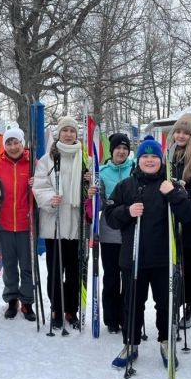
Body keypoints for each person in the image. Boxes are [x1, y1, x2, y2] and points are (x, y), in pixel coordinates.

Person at [104, 136, 191, 368]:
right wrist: (127, 211)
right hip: (133, 258)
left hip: (164, 258)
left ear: (161, 160)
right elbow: (110, 218)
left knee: (165, 304)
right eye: (145, 156)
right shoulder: (126, 186)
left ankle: (165, 341)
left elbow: (188, 215)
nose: (150, 160)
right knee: (132, 303)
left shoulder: (170, 184)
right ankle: (130, 344)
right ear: (139, 159)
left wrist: (172, 193)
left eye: (154, 156)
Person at [32, 116, 88, 329]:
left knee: (74, 270)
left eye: (72, 131)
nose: (68, 134)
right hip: (53, 221)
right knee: (55, 269)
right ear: (58, 134)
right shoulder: (48, 159)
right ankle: (56, 307)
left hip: (75, 223)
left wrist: (89, 185)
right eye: (65, 130)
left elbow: (90, 188)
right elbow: (39, 186)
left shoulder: (84, 159)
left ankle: (71, 309)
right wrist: (49, 198)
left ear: (76, 134)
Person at [87, 132, 134, 333]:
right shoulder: (102, 171)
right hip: (109, 231)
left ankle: (128, 315)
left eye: (125, 148)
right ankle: (111, 318)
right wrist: (92, 195)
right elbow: (97, 207)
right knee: (112, 276)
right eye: (118, 148)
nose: (121, 151)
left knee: (130, 276)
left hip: (131, 231)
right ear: (112, 150)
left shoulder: (136, 168)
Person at [0, 128, 36, 321]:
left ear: (22, 143)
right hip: (5, 222)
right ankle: (11, 300)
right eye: (8, 143)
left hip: (27, 223)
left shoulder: (33, 163)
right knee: (9, 265)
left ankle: (27, 302)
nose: (12, 147)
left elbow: (44, 186)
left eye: (16, 142)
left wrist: (37, 183)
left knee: (27, 265)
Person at [166, 113, 191, 331]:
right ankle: (175, 302)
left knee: (190, 264)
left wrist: (184, 191)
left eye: (184, 132)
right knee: (174, 263)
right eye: (177, 131)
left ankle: (190, 305)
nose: (180, 136)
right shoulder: (168, 155)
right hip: (170, 217)